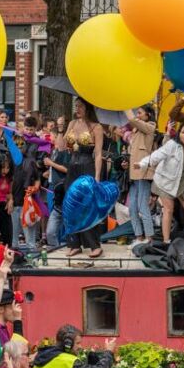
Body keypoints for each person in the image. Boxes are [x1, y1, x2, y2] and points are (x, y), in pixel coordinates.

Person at [136, 122, 184, 247]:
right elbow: (157, 155)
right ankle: (166, 241)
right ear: (179, 134)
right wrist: (142, 163)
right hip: (166, 181)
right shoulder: (173, 145)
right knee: (168, 209)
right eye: (183, 132)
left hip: (183, 182)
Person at [63, 98, 106, 259]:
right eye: (76, 106)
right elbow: (61, 146)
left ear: (88, 108)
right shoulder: (72, 124)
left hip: (87, 166)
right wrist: (61, 131)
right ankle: (74, 244)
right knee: (70, 205)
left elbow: (99, 154)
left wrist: (96, 176)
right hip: (72, 167)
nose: (77, 108)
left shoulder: (96, 127)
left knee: (86, 206)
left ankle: (94, 244)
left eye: (80, 106)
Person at [124, 106, 158, 245]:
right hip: (133, 173)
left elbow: (131, 119)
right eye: (136, 112)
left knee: (142, 206)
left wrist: (124, 106)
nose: (137, 115)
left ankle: (149, 238)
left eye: (140, 112)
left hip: (144, 172)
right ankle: (138, 237)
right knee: (132, 207)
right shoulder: (137, 129)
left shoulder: (150, 126)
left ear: (148, 115)